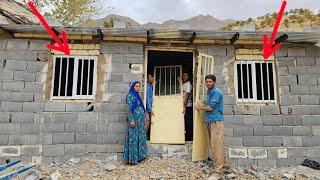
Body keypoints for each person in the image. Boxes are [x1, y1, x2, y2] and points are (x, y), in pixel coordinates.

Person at [195, 75, 225, 174]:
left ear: (214, 82)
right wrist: (202, 104)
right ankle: (221, 165)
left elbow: (211, 108)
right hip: (210, 121)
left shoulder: (216, 92)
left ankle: (218, 170)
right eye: (207, 82)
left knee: (216, 146)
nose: (208, 83)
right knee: (215, 145)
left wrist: (199, 107)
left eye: (210, 82)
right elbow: (208, 104)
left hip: (216, 122)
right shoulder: (209, 92)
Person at [123, 81, 148, 164]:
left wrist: (144, 117)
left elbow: (141, 107)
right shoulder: (130, 96)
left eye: (139, 86)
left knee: (140, 138)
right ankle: (132, 159)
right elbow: (129, 110)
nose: (138, 88)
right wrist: (132, 120)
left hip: (140, 122)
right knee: (133, 138)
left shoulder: (137, 96)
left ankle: (139, 157)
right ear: (133, 87)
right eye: (136, 86)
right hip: (134, 121)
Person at [182, 72, 193, 141]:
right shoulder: (183, 84)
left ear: (188, 76)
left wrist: (184, 107)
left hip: (188, 106)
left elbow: (186, 97)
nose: (184, 77)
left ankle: (189, 138)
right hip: (183, 106)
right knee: (184, 122)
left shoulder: (188, 85)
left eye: (186, 75)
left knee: (188, 122)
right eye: (183, 75)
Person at [146, 74, 154, 139]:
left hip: (150, 107)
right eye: (151, 77)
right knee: (148, 121)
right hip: (147, 108)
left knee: (150, 121)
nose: (152, 78)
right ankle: (146, 136)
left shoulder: (151, 86)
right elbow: (147, 99)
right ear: (147, 79)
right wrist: (150, 110)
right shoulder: (147, 87)